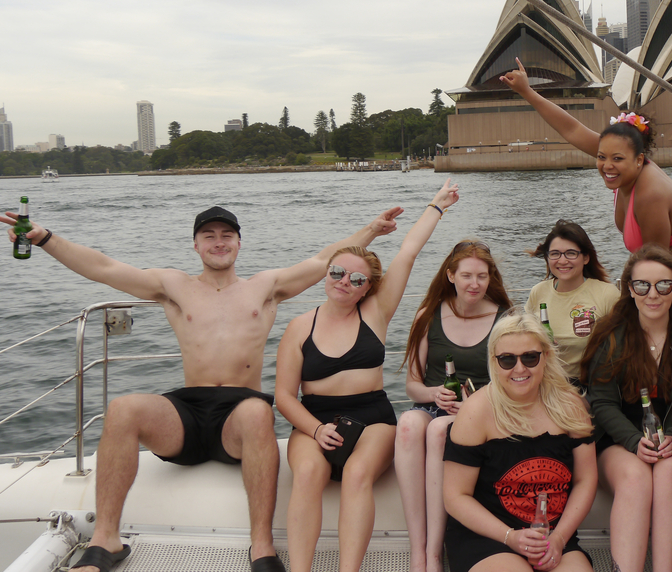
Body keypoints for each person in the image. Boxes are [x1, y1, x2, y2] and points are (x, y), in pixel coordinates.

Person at [2, 203, 402, 572]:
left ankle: (261, 545)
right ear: (195, 245)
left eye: (226, 235)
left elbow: (323, 261)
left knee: (258, 409)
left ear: (239, 243)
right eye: (208, 235)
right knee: (123, 408)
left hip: (240, 418)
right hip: (188, 412)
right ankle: (107, 539)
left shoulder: (265, 286)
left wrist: (370, 230)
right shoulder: (173, 285)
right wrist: (44, 238)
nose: (218, 242)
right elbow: (104, 268)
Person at [275, 181, 458, 572]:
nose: (345, 282)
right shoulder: (298, 328)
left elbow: (408, 252)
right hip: (315, 419)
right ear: (327, 273)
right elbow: (285, 397)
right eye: (338, 272)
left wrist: (436, 206)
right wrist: (314, 429)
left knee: (358, 474)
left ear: (367, 289)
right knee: (307, 473)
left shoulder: (376, 313)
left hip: (373, 417)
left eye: (357, 280)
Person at [500, 59, 672, 294]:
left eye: (617, 159)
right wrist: (526, 91)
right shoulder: (622, 165)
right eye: (601, 157)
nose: (607, 166)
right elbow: (572, 129)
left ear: (639, 160)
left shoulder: (649, 195)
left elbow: (656, 268)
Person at [580, 244, 672, 572]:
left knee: (668, 473)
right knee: (636, 478)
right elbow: (603, 403)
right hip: (621, 438)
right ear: (630, 290)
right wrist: (634, 441)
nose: (653, 294)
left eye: (663, 285)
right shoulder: (612, 334)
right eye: (643, 285)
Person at [443, 313, 597, 572]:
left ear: (545, 357)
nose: (519, 368)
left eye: (530, 357)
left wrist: (559, 538)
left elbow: (586, 479)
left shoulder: (571, 406)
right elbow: (455, 496)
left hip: (554, 535)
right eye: (507, 360)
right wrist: (509, 537)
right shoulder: (476, 412)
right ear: (494, 361)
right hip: (489, 536)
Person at [395, 240, 513, 572]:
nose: (474, 284)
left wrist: (474, 402)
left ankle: (435, 553)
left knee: (436, 431)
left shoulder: (505, 318)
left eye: (482, 276)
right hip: (436, 405)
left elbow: (515, 384)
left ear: (491, 277)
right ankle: (419, 550)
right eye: (466, 276)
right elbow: (412, 386)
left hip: (482, 413)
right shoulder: (427, 315)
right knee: (408, 425)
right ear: (450, 275)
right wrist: (435, 394)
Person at [524, 219, 619, 386]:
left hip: (590, 384)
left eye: (571, 253)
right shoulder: (538, 292)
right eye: (555, 254)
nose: (562, 261)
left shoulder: (607, 294)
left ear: (586, 257)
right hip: (544, 383)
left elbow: (621, 349)